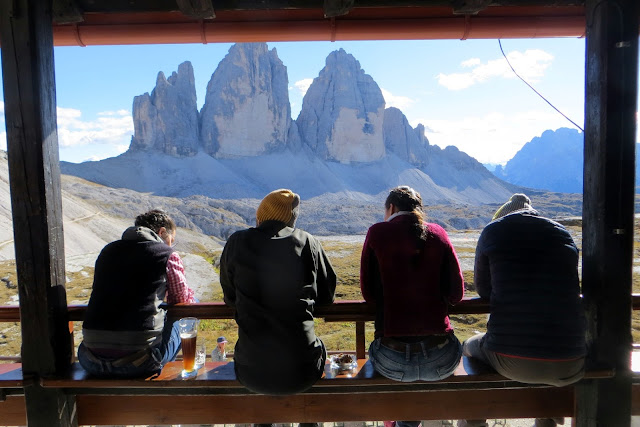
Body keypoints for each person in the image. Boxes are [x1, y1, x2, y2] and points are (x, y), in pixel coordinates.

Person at [459, 194, 586, 427]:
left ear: (502, 216)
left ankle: (475, 420)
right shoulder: (562, 234)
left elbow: (484, 291)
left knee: (467, 347)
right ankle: (547, 419)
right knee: (544, 352)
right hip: (572, 360)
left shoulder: (493, 231)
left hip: (511, 358)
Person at [360, 186, 465, 427]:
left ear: (391, 208)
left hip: (391, 357)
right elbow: (456, 294)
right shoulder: (438, 233)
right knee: (423, 374)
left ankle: (398, 421)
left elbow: (369, 296)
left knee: (401, 373)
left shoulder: (377, 233)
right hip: (440, 357)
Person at [220, 188, 337, 395]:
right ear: (291, 220)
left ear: (260, 217)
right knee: (317, 347)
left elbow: (230, 298)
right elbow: (327, 297)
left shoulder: (236, 242)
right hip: (303, 372)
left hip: (250, 371)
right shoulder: (308, 242)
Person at [78, 209, 197, 378]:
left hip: (90, 360)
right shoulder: (167, 254)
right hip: (139, 362)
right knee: (191, 309)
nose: (170, 245)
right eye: (171, 240)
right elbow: (181, 300)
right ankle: (190, 367)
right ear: (162, 232)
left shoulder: (107, 251)